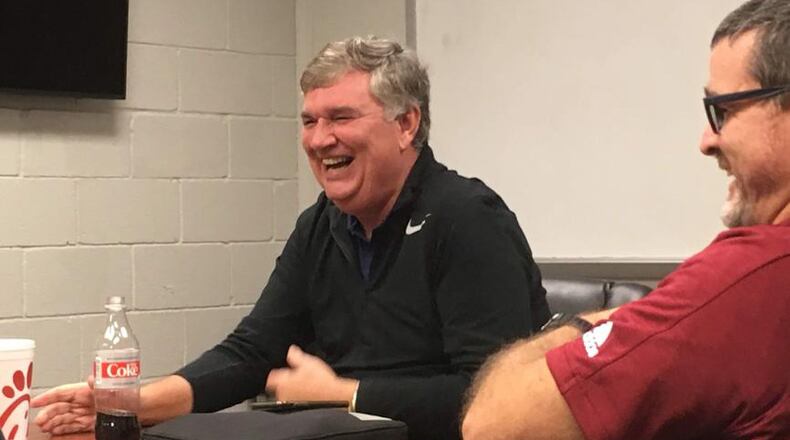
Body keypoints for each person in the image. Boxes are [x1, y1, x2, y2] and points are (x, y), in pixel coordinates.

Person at [32, 37, 550, 440]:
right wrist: (134, 403)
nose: (320, 139)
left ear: (406, 124)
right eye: (309, 121)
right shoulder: (321, 223)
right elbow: (254, 350)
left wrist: (345, 393)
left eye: (341, 118)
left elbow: (496, 399)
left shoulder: (469, 218)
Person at [461, 0, 790, 438]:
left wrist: (584, 325)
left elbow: (493, 423)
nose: (706, 141)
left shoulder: (750, 281)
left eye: (722, 111)